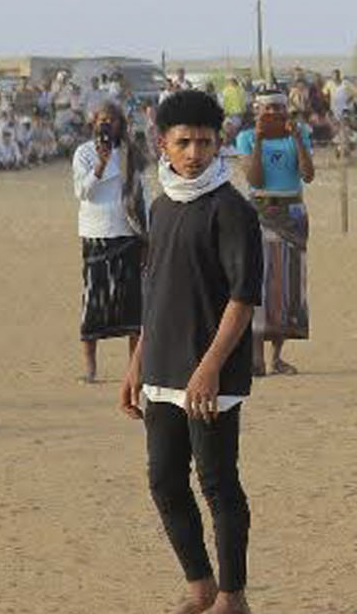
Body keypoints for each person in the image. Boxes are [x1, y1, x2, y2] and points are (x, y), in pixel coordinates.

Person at [119, 89, 262, 614]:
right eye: (185, 142)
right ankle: (199, 585)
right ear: (164, 144)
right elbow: (155, 291)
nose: (196, 153)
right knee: (163, 481)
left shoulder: (231, 210)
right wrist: (137, 364)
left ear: (218, 143)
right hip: (161, 370)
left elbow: (243, 299)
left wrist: (208, 370)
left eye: (205, 142)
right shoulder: (160, 207)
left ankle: (232, 595)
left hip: (212, 376)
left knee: (219, 484)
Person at [234, 90, 315, 377]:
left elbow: (307, 174)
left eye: (279, 108)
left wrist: (296, 139)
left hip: (292, 211)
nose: (273, 114)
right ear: (257, 110)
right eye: (267, 109)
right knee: (261, 283)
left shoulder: (299, 134)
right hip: (260, 211)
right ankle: (256, 357)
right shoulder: (245, 137)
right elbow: (255, 178)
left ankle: (277, 356)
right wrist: (258, 139)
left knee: (288, 285)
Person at [72, 100, 147, 384]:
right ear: (94, 123)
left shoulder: (130, 153)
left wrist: (147, 233)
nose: (107, 124)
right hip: (96, 233)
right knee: (93, 301)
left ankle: (134, 368)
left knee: (133, 307)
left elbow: (142, 192)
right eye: (102, 119)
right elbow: (83, 192)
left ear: (120, 124)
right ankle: (91, 368)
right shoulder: (84, 153)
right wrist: (101, 165)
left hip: (128, 233)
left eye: (112, 120)